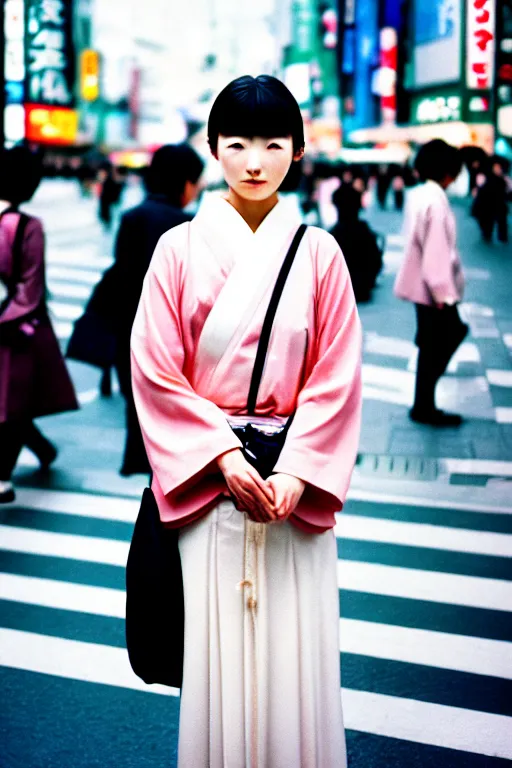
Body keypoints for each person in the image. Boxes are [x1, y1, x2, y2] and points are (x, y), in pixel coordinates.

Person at [130, 75, 362, 767]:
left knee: (295, 655)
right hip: (215, 488)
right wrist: (225, 460)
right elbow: (154, 367)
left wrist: (297, 471)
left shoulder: (321, 251)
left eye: (272, 143)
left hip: (290, 492)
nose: (255, 161)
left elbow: (338, 374)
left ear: (297, 150)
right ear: (212, 150)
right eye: (236, 144)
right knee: (216, 658)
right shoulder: (177, 248)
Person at [108, 143, 203, 476]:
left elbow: (121, 276)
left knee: (143, 419)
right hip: (175, 340)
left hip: (133, 333)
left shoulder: (132, 218)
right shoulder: (188, 225)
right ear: (184, 182)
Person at [0, 146, 78, 504]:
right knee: (14, 399)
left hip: (10, 326)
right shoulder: (28, 227)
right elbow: (31, 288)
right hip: (17, 329)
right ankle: (13, 467)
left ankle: (31, 458)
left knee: (10, 401)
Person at [394, 139, 468, 427]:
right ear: (447, 172)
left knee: (430, 344)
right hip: (432, 289)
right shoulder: (435, 201)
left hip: (421, 287)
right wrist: (443, 294)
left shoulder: (419, 194)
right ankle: (424, 405)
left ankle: (423, 404)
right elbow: (437, 253)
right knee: (449, 335)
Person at [330, 184, 383, 302]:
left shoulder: (332, 235)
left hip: (340, 293)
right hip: (363, 289)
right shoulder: (365, 231)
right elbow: (377, 263)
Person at [473, 158, 509, 244]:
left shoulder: (504, 180)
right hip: (487, 204)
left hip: (499, 204)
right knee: (487, 221)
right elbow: (479, 190)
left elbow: (508, 192)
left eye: (499, 168)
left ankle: (502, 237)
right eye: (496, 167)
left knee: (501, 221)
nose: (498, 170)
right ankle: (487, 234)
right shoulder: (485, 177)